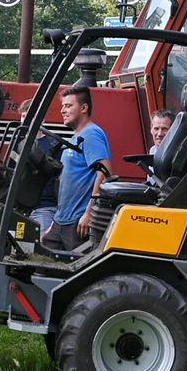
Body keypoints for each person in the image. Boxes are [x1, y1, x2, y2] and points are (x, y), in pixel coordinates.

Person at [42, 87, 110, 251]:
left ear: (84, 108)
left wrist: (90, 213)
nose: (62, 110)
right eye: (63, 106)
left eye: (68, 106)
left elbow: (105, 172)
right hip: (61, 221)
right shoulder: (75, 138)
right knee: (41, 263)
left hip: (78, 223)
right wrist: (54, 222)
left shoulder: (91, 134)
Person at [20, 99, 60, 231]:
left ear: (42, 120)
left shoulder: (53, 145)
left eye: (30, 117)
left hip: (44, 207)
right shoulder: (18, 143)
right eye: (24, 116)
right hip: (18, 205)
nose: (25, 120)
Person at [148, 109, 173, 182]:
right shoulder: (152, 150)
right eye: (156, 129)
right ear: (151, 130)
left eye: (164, 129)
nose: (159, 134)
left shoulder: (176, 154)